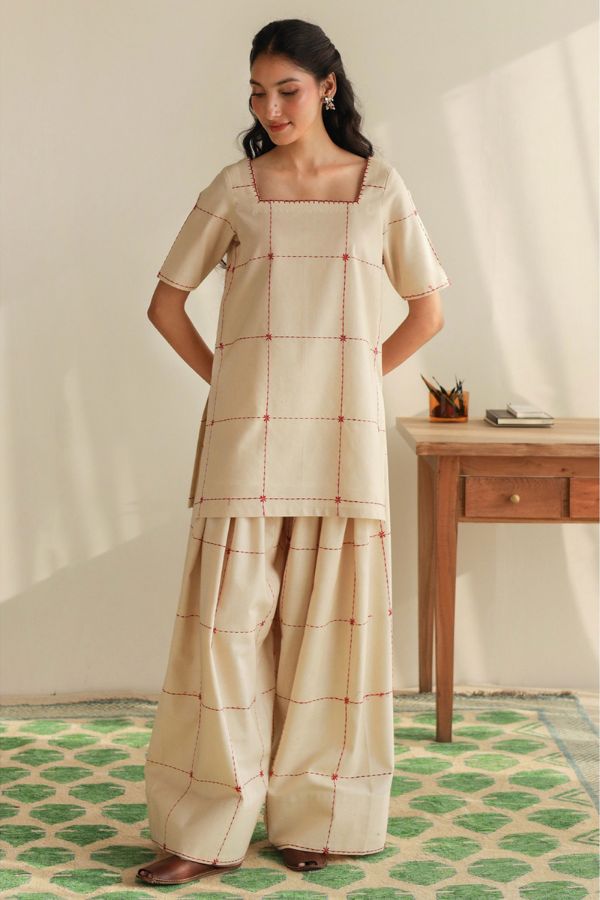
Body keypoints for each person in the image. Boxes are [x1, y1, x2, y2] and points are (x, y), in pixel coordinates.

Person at [136, 17, 449, 887]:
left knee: (331, 639)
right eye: (257, 91)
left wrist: (350, 378)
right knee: (224, 638)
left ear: (327, 89)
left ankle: (320, 818)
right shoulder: (237, 187)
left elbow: (427, 310)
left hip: (342, 448)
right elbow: (166, 303)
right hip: (249, 445)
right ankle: (204, 829)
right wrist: (231, 381)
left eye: (287, 90)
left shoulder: (379, 187)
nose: (270, 107)